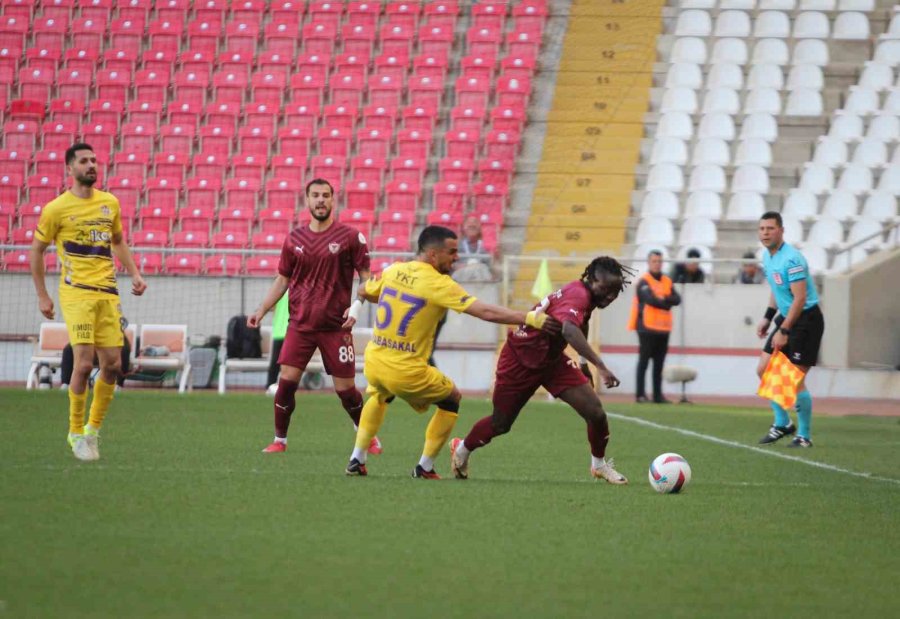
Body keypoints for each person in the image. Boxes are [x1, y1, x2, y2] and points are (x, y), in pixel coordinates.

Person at [345, 225, 560, 478]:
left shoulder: (394, 270)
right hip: (404, 370)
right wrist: (529, 318)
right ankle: (424, 467)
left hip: (376, 360)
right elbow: (485, 312)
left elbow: (364, 290)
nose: (456, 257)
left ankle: (356, 459)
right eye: (452, 252)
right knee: (452, 399)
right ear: (433, 255)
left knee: (381, 395)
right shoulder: (438, 283)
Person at [449, 257, 634, 484]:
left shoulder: (587, 296)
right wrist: (601, 367)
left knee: (595, 412)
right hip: (520, 360)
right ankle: (462, 449)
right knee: (500, 424)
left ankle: (599, 465)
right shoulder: (579, 295)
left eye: (615, 292)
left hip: (552, 362)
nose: (610, 296)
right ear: (591, 279)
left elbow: (580, 324)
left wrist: (584, 363)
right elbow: (569, 330)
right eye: (605, 289)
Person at [29, 142, 147, 462]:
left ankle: (93, 431)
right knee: (83, 363)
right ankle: (75, 431)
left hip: (107, 291)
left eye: (94, 160)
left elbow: (118, 241)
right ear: (70, 169)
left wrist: (134, 273)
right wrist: (42, 294)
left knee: (113, 365)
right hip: (77, 291)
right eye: (84, 161)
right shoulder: (56, 209)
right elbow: (36, 251)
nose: (91, 165)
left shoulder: (110, 203)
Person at [248, 178, 382, 455]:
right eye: (315, 195)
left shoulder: (350, 237)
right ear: (307, 200)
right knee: (286, 381)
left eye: (325, 195)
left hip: (336, 326)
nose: (320, 200)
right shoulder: (294, 239)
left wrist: (357, 306)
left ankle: (368, 436)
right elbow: (282, 280)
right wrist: (261, 310)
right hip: (301, 324)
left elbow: (367, 280)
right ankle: (279, 440)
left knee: (346, 390)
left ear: (333, 200)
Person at [756, 211, 824, 448]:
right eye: (762, 229)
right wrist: (767, 317)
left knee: (793, 379)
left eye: (770, 228)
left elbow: (799, 298)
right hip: (787, 318)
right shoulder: (768, 257)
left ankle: (804, 436)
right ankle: (783, 423)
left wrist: (783, 331)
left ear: (781, 231)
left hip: (806, 321)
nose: (765, 233)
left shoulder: (792, 259)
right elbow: (777, 290)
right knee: (764, 369)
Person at [628, 250, 681, 404]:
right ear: (649, 263)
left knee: (659, 363)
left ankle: (658, 395)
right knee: (644, 361)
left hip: (664, 328)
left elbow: (677, 299)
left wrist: (663, 298)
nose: (657, 264)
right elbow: (650, 300)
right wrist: (666, 302)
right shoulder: (644, 281)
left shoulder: (667, 281)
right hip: (646, 327)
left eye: (659, 261)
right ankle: (640, 394)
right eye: (654, 261)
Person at [453, 215, 493, 282]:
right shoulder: (456, 245)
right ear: (464, 228)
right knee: (479, 269)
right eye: (469, 223)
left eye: (475, 223)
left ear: (479, 228)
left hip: (480, 275)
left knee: (482, 270)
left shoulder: (484, 246)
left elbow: (488, 266)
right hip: (462, 275)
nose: (472, 224)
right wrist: (469, 266)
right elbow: (452, 265)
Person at [265, 292, 289, 394]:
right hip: (286, 331)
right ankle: (278, 387)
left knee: (276, 362)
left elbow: (271, 307)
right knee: (285, 363)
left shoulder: (281, 289)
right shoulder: (287, 288)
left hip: (281, 331)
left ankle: (270, 386)